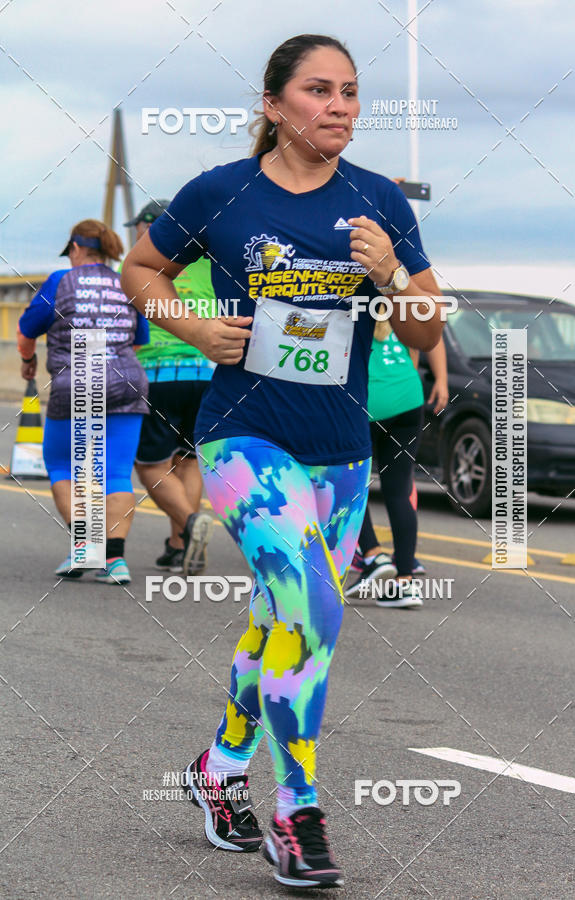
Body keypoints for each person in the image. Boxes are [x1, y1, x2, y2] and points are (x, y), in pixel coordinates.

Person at [122, 33, 443, 889]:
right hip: (243, 434)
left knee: (278, 618)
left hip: (339, 449)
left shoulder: (379, 203)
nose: (340, 106)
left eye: (349, 92)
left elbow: (425, 330)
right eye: (319, 91)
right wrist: (186, 324)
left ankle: (219, 770)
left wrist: (393, 279)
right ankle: (297, 817)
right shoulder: (220, 193)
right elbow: (142, 266)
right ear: (274, 107)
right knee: (315, 617)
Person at [17, 219, 149, 584]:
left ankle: (85, 549)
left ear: (75, 248)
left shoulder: (61, 281)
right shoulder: (128, 280)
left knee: (61, 463)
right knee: (117, 472)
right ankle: (116, 560)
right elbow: (139, 338)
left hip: (76, 381)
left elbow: (26, 330)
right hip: (127, 380)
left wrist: (28, 362)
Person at [125, 200, 215, 574]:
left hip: (158, 374)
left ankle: (191, 523)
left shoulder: (135, 266)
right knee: (188, 459)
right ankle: (179, 544)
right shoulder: (211, 262)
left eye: (138, 227)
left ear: (150, 227)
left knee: (149, 465)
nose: (135, 234)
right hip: (206, 372)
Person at [345, 329, 448, 607]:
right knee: (399, 491)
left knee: (349, 484)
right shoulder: (397, 297)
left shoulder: (349, 300)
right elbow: (430, 332)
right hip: (407, 397)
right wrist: (442, 379)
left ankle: (372, 554)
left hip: (366, 398)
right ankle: (405, 582)